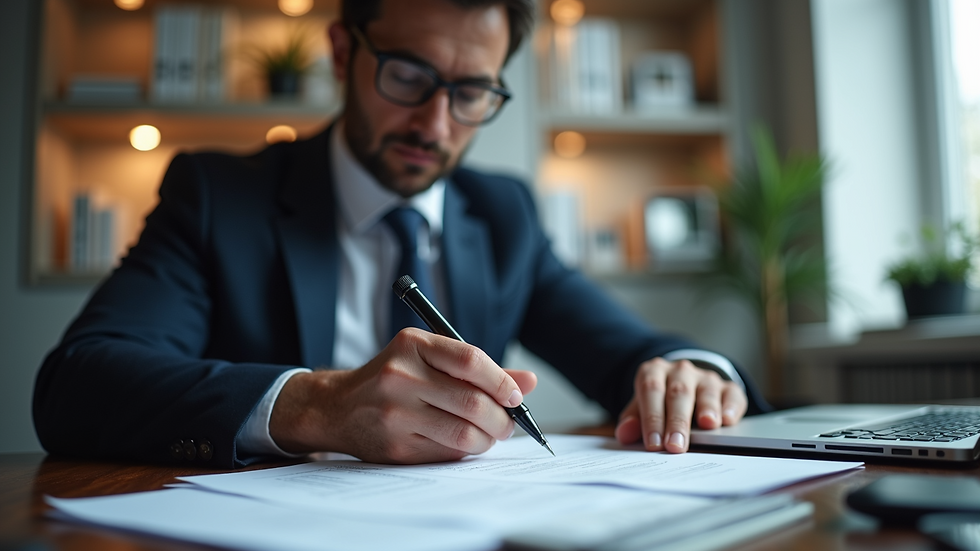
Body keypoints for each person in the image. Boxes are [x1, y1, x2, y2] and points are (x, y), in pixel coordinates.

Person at [33, 0, 769, 468]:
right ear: (343, 52)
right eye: (408, 76)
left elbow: (625, 350)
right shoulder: (219, 197)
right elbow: (78, 384)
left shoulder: (503, 213)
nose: (435, 123)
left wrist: (689, 370)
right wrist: (317, 406)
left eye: (471, 92)